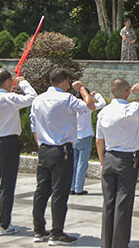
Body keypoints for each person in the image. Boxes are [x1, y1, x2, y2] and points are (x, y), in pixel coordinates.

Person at [96, 78, 139, 248]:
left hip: (109, 157)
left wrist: (102, 160)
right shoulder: (133, 109)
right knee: (123, 203)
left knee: (109, 202)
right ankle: (119, 243)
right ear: (127, 91)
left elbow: (99, 140)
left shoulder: (103, 112)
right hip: (127, 159)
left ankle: (106, 243)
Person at [30, 68, 96, 245]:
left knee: (41, 191)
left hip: (44, 148)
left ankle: (38, 230)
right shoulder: (67, 99)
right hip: (62, 150)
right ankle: (57, 232)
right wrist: (82, 89)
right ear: (65, 81)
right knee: (60, 192)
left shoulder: (38, 100)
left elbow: (33, 126)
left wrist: (40, 145)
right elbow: (90, 105)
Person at [0, 69, 37, 235]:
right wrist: (23, 83)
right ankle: (4, 225)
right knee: (7, 184)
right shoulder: (9, 98)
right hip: (7, 142)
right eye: (11, 81)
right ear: (6, 81)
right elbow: (33, 97)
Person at [71, 89, 107, 195]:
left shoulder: (72, 106)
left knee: (73, 164)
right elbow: (103, 103)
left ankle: (71, 187)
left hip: (73, 138)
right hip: (85, 137)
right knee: (82, 164)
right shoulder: (88, 106)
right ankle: (78, 188)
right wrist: (96, 95)